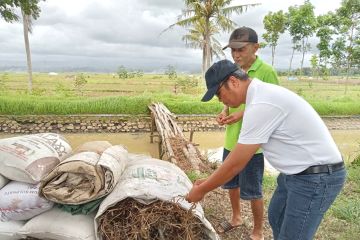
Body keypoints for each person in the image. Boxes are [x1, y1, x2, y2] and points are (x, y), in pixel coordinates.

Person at [186, 60, 346, 240]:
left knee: (294, 235)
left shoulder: (262, 104)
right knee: (276, 217)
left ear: (233, 81)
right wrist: (207, 181)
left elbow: (235, 163)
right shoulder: (258, 96)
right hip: (295, 173)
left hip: (317, 176)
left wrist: (202, 189)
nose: (220, 100)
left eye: (218, 94)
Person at [216, 26, 278, 239]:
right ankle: (236, 217)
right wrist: (225, 109)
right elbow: (230, 98)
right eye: (233, 50)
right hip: (232, 139)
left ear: (256, 47)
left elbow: (270, 105)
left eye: (241, 49)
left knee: (253, 190)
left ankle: (258, 231)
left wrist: (240, 114)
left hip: (253, 146)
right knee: (231, 183)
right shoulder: (233, 70)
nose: (236, 54)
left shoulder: (266, 72)